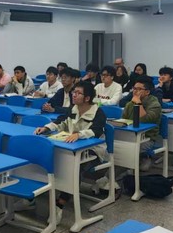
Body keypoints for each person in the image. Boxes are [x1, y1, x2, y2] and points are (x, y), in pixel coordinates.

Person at [34, 81, 107, 221]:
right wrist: (46, 128)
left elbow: (96, 131)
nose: (74, 95)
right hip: (72, 147)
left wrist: (79, 134)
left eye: (78, 93)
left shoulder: (98, 112)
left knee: (74, 167)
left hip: (93, 150)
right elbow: (60, 122)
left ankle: (60, 203)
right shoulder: (73, 109)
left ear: (87, 98)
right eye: (74, 92)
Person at [121, 75, 161, 144]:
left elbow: (144, 120)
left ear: (147, 92)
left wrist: (138, 103)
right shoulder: (130, 104)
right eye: (134, 88)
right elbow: (123, 121)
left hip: (147, 138)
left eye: (139, 89)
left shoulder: (155, 104)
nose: (135, 91)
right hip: (130, 135)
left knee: (128, 147)